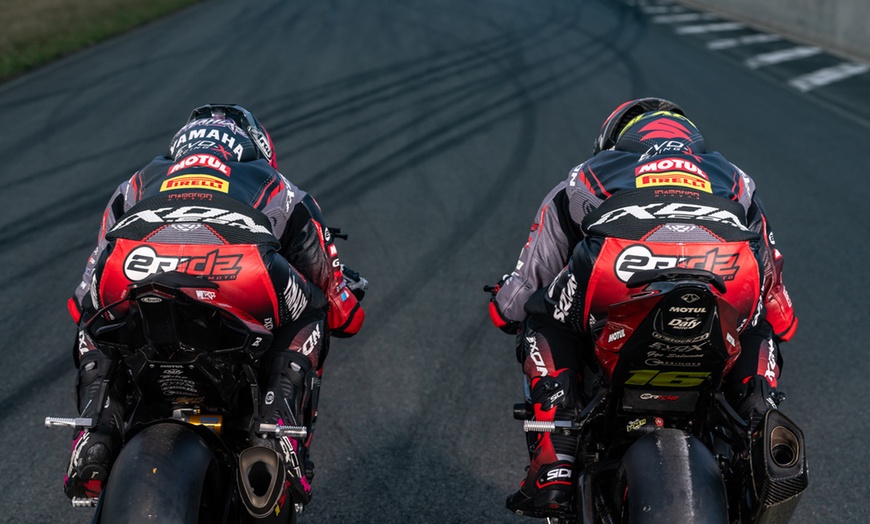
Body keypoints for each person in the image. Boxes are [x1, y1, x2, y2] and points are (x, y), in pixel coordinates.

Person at [488, 97, 797, 517]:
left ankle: (556, 455)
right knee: (758, 322)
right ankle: (760, 418)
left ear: (614, 140)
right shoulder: (733, 176)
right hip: (725, 266)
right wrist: (779, 323)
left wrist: (505, 311)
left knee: (543, 317)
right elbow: (772, 282)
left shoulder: (586, 175)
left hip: (621, 264)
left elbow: (527, 284)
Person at [62, 104, 368, 508]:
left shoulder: (135, 183)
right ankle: (276, 429)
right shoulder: (281, 186)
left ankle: (95, 431)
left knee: (95, 317)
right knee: (311, 308)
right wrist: (343, 294)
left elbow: (82, 297)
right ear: (259, 147)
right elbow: (344, 314)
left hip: (133, 264)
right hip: (237, 267)